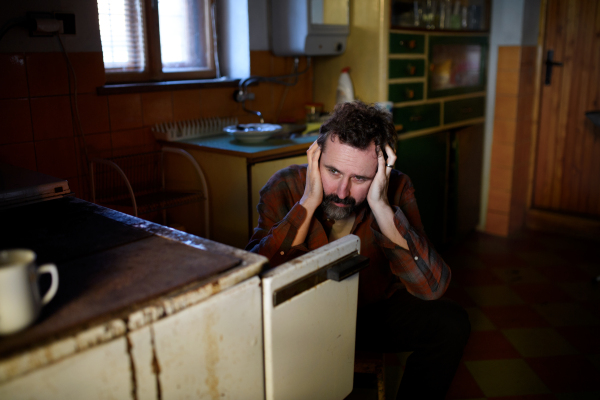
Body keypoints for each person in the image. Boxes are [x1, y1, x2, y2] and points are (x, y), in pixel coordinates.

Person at [246, 101, 470, 399]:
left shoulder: (397, 187)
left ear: (380, 172)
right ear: (316, 158)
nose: (342, 192)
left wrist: (380, 205)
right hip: (303, 319)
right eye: (333, 171)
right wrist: (308, 203)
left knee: (451, 324)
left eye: (360, 179)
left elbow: (431, 286)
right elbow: (255, 283)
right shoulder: (285, 186)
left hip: (370, 311)